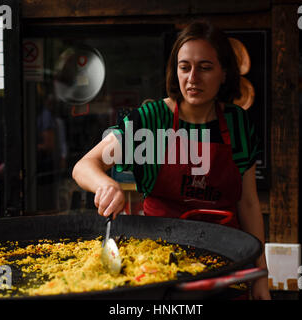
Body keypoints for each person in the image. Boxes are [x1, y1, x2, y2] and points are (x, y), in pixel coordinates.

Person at [72, 20, 270, 300]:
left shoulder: (238, 124)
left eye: (205, 67)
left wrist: (260, 274)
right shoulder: (152, 120)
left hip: (225, 265)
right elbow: (84, 166)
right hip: (162, 268)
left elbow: (248, 203)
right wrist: (106, 185)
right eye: (184, 67)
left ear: (224, 73)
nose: (192, 78)